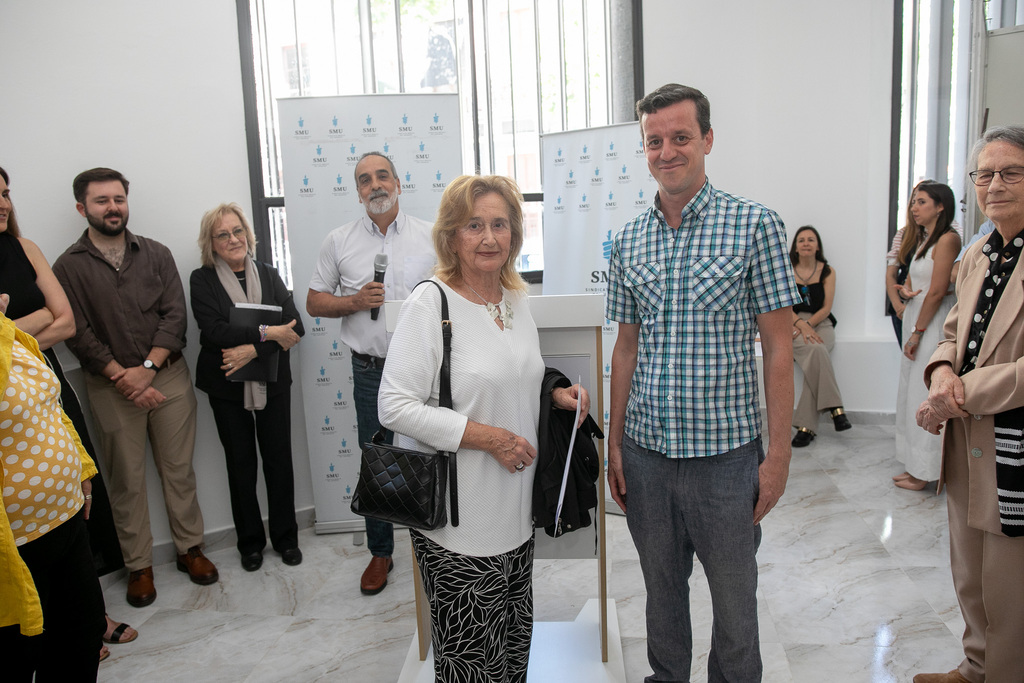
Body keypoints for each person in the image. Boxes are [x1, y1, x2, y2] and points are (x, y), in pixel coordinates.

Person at [605, 83, 800, 682]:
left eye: (680, 137)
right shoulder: (627, 239)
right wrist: (615, 444)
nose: (667, 151)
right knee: (661, 596)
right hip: (647, 456)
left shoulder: (755, 225)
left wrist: (778, 456)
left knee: (736, 605)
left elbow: (779, 348)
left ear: (708, 140)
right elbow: (626, 347)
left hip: (726, 460)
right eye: (654, 141)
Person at [377, 174, 588, 682]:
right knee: (471, 668)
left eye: (500, 224)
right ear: (452, 236)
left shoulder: (515, 300)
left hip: (515, 515)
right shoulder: (431, 303)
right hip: (459, 525)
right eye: (474, 225)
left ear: (514, 234)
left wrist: (553, 395)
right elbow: (394, 406)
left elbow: (512, 374)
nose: (489, 237)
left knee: (513, 655)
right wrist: (489, 438)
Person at [52, 168, 217, 608]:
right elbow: (78, 332)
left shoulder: (157, 254)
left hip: (168, 378)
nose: (113, 208)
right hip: (111, 387)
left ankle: (190, 548)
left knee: (178, 471)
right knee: (125, 479)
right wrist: (124, 377)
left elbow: (174, 316)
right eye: (102, 200)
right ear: (82, 208)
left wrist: (146, 369)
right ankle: (139, 565)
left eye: (119, 199)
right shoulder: (67, 267)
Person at [0, 166, 138, 657]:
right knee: (22, 532)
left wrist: (8, 330)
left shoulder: (25, 248)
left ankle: (90, 616)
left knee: (81, 498)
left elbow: (66, 322)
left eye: (5, 193)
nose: (2, 203)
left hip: (47, 389)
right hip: (8, 406)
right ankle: (46, 626)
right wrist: (37, 320)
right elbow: (50, 318)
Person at [915, 125, 1024, 683]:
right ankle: (976, 665)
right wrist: (940, 372)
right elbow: (953, 332)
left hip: (1012, 438)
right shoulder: (979, 251)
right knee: (969, 565)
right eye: (984, 174)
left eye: (1011, 172)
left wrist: (958, 393)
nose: (994, 185)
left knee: (1010, 578)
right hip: (966, 434)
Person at [306, 151, 435, 595]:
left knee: (433, 453)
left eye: (383, 176)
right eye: (365, 179)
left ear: (399, 183)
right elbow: (314, 301)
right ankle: (381, 552)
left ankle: (435, 544)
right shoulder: (339, 241)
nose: (375, 184)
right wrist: (354, 302)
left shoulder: (432, 236)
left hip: (426, 368)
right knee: (377, 458)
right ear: (358, 192)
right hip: (371, 371)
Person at [190, 203, 304, 571]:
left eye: (238, 231)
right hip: (226, 386)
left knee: (279, 460)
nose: (233, 239)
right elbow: (215, 331)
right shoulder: (202, 280)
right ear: (211, 243)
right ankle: (250, 544)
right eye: (222, 234)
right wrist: (269, 332)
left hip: (272, 381)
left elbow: (296, 327)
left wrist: (253, 348)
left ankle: (286, 538)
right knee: (240, 465)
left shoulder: (269, 274)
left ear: (248, 235)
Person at [0, 295, 106, 681]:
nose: (5, 297)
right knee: (20, 656)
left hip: (66, 520)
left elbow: (50, 405)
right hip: (17, 545)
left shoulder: (10, 332)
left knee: (83, 636)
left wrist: (81, 467)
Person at [892, 181, 961, 491]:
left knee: (925, 393)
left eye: (921, 202)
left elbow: (937, 291)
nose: (914, 208)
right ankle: (913, 464)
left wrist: (917, 333)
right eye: (913, 202)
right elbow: (913, 279)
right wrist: (906, 291)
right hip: (916, 315)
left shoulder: (948, 239)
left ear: (940, 205)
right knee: (910, 393)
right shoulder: (924, 239)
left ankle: (926, 472)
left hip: (931, 323)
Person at [789, 225, 851, 447]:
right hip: (792, 324)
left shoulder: (828, 271)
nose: (806, 243)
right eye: (801, 240)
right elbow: (784, 306)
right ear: (795, 247)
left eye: (811, 240)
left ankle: (806, 427)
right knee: (817, 351)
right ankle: (836, 409)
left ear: (817, 246)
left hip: (821, 323)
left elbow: (826, 308)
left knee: (816, 359)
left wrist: (809, 325)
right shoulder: (786, 269)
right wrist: (801, 325)